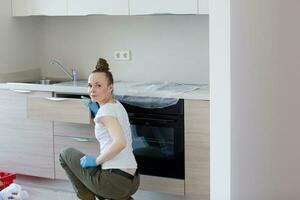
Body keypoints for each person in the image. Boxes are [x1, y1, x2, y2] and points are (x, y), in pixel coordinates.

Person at [59, 58, 139, 200]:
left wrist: (96, 161)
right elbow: (110, 123)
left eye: (98, 85)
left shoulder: (105, 112)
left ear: (110, 87)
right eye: (90, 85)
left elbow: (120, 142)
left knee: (65, 154)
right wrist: (97, 112)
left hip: (115, 181)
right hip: (132, 180)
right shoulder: (117, 105)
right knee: (98, 173)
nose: (92, 90)